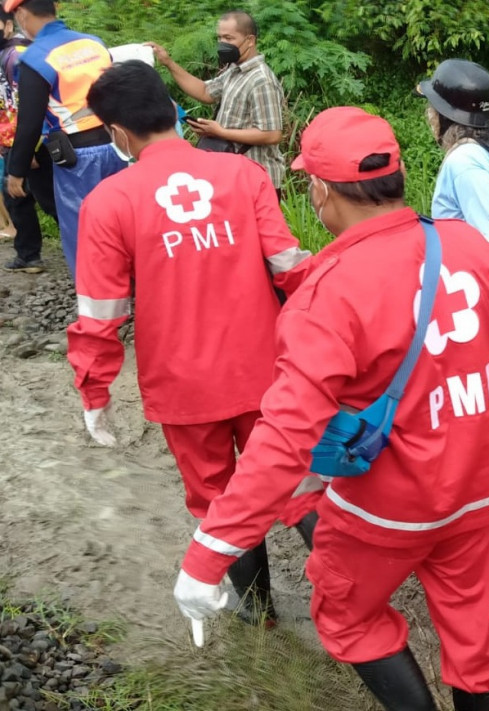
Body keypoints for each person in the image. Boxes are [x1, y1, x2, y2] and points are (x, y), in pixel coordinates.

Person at [172, 107, 489, 711]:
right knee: (469, 622)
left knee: (347, 615)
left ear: (320, 189)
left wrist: (210, 552)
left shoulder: (330, 289)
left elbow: (285, 436)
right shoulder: (468, 246)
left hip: (385, 508)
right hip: (474, 488)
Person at [67, 60, 318, 624]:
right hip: (265, 369)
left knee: (217, 497)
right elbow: (292, 268)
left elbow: (101, 314)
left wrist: (94, 391)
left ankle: (257, 615)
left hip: (183, 386)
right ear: (172, 110)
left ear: (118, 132)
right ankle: (351, 602)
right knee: (297, 481)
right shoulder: (243, 176)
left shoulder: (109, 202)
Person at [3, 0, 125, 281]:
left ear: (21, 14)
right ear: (54, 9)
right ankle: (133, 283)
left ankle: (97, 295)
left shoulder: (35, 58)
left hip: (78, 159)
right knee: (120, 220)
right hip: (118, 146)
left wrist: (16, 171)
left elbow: (30, 122)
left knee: (84, 230)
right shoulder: (93, 43)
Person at [418, 59, 489, 367]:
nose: (429, 116)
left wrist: (464, 298)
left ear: (445, 117)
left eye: (432, 109)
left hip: (481, 313)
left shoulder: (463, 161)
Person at [147, 10, 286, 197]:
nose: (222, 44)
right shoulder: (234, 70)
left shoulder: (261, 80)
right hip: (235, 175)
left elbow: (271, 134)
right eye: (220, 38)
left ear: (250, 40)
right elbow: (205, 92)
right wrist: (168, 63)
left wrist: (220, 132)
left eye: (229, 38)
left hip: (257, 181)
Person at [0, 7, 55, 273]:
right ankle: (28, 255)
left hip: (30, 143)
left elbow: (30, 106)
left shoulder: (17, 56)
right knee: (16, 198)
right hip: (13, 141)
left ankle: (93, 254)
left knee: (51, 200)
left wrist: (29, 148)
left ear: (9, 26)